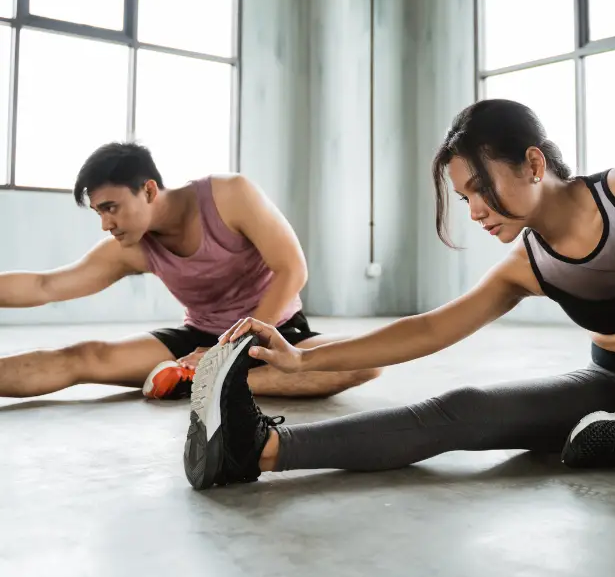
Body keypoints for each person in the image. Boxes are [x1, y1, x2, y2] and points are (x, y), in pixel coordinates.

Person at [180, 99, 615, 491]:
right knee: (463, 408)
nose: (474, 210)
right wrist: (301, 360)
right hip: (611, 384)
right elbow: (427, 330)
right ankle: (256, 452)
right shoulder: (527, 266)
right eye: (464, 197)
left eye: (480, 188)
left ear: (534, 164)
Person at [0, 142, 380, 401]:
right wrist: (212, 350)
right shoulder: (132, 248)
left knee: (367, 360)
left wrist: (229, 352)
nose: (106, 224)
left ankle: (207, 381)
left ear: (148, 190)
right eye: (100, 212)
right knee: (83, 356)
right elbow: (45, 285)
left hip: (271, 330)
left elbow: (292, 268)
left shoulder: (230, 195)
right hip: (197, 338)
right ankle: (200, 377)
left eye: (111, 207)